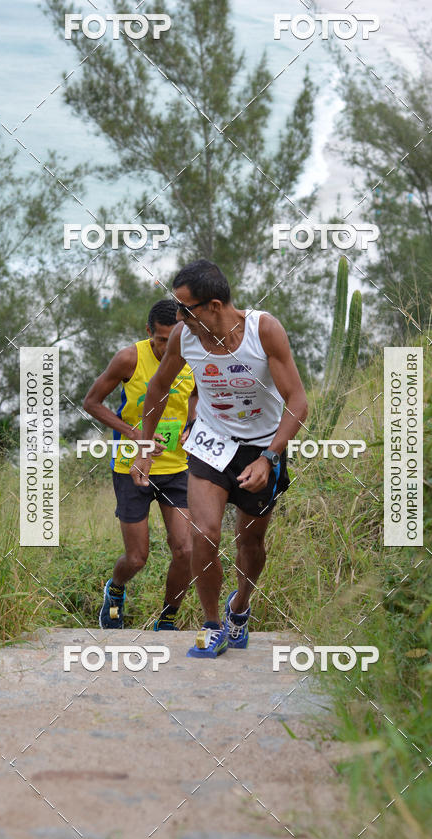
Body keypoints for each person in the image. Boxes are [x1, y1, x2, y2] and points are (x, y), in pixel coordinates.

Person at [132, 259, 308, 657]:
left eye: (185, 308)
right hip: (211, 444)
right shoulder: (184, 337)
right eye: (176, 308)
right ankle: (212, 625)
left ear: (213, 305)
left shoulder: (263, 331)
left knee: (251, 541)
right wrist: (145, 447)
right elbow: (158, 387)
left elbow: (298, 402)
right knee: (204, 534)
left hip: (260, 447)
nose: (178, 317)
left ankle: (240, 607)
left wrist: (268, 457)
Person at [83, 299, 197, 630]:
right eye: (161, 340)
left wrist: (191, 424)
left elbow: (195, 396)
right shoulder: (129, 358)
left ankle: (167, 620)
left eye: (174, 338)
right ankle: (115, 590)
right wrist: (132, 433)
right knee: (136, 558)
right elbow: (92, 402)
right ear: (149, 333)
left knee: (184, 551)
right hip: (131, 468)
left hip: (177, 467)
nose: (168, 347)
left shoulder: (191, 355)